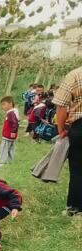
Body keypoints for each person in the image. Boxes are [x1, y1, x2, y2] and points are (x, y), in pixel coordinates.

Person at [53, 66, 82, 216]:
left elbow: (61, 104)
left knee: (77, 169)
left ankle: (75, 208)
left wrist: (61, 129)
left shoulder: (75, 75)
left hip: (79, 127)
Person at [0, 96, 19, 164]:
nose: (2, 106)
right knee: (11, 149)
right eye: (1, 105)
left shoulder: (11, 113)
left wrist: (13, 132)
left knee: (4, 149)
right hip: (11, 135)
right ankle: (10, 161)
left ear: (10, 104)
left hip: (8, 135)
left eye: (4, 104)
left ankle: (3, 162)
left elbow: (15, 123)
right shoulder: (13, 112)